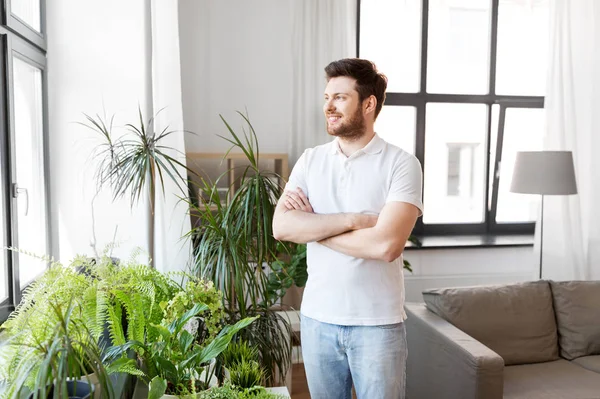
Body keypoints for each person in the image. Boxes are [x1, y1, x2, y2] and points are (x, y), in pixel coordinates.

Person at [272, 58, 423, 399]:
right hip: (317, 320)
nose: (328, 106)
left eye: (340, 97)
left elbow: (385, 246)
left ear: (368, 104)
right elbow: (281, 226)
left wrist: (314, 227)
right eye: (327, 97)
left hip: (377, 325)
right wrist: (354, 221)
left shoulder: (401, 164)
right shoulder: (311, 160)